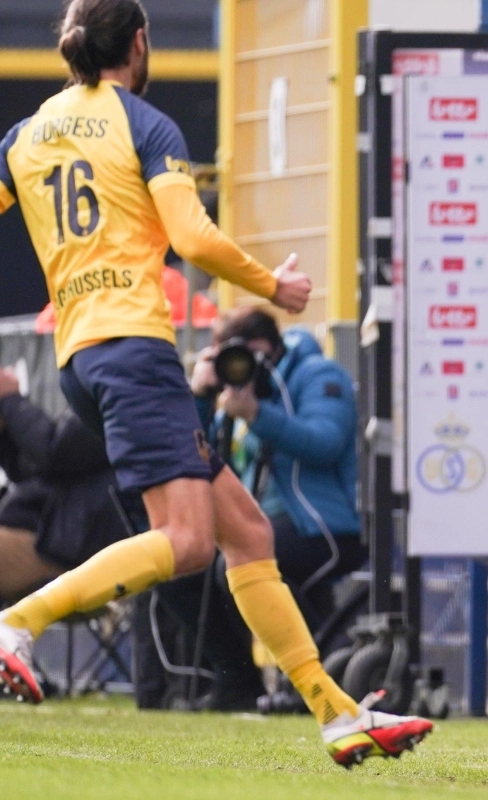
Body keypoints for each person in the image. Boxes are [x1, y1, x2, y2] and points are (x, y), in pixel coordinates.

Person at [0, 0, 430, 767]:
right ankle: (18, 622)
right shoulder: (141, 122)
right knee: (191, 542)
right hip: (133, 348)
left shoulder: (24, 135)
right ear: (139, 42)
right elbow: (193, 236)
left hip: (79, 358)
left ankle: (336, 714)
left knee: (246, 533)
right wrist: (273, 285)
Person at [152, 308, 366, 710]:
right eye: (230, 358)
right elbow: (193, 453)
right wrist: (199, 397)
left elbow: (326, 442)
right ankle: (238, 684)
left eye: (247, 356)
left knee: (240, 564)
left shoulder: (317, 375)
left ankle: (320, 681)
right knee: (178, 566)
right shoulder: (229, 393)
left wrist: (256, 412)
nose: (242, 367)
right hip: (262, 522)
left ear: (270, 349)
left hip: (323, 524)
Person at [0, 367, 131, 603]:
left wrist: (10, 400)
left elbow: (54, 450)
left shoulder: (123, 386)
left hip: (66, 552)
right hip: (49, 537)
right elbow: (30, 470)